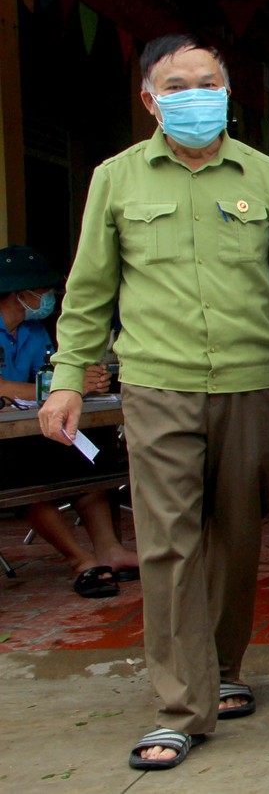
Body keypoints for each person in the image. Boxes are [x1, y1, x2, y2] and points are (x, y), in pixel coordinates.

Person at [38, 34, 269, 771]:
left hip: (252, 381)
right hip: (158, 382)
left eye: (209, 81)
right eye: (179, 83)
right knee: (168, 541)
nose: (197, 93)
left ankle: (223, 666)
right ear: (150, 98)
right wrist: (69, 374)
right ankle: (179, 704)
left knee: (237, 533)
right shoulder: (116, 179)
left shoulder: (266, 177)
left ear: (228, 91)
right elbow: (90, 286)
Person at [0, 245, 136, 598]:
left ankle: (110, 551)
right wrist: (57, 386)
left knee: (88, 459)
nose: (47, 298)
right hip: (6, 443)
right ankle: (81, 561)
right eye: (42, 291)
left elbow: (48, 378)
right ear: (20, 294)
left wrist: (82, 383)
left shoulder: (34, 331)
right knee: (29, 479)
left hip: (35, 428)